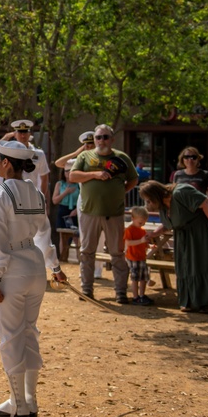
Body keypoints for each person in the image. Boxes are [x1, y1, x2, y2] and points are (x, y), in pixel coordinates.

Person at [0, 141, 66, 417]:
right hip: (34, 265)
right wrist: (54, 266)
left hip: (13, 268)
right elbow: (45, 232)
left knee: (11, 336)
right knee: (29, 331)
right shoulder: (35, 192)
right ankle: (29, 400)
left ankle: (18, 404)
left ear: (6, 163)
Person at [68, 124, 138, 302]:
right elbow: (73, 176)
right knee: (87, 252)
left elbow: (133, 179)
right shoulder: (85, 156)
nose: (101, 141)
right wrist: (95, 175)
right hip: (89, 212)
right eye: (98, 137)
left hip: (114, 213)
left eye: (105, 137)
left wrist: (120, 192)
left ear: (112, 139)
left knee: (117, 253)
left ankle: (121, 292)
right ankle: (87, 290)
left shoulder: (121, 157)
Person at [139, 180, 208, 312]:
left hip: (204, 228)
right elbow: (168, 224)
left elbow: (205, 203)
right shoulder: (164, 207)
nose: (147, 204)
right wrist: (153, 234)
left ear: (155, 195)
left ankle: (203, 302)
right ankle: (189, 301)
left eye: (148, 200)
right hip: (185, 232)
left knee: (201, 263)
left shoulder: (181, 192)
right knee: (184, 264)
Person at [124, 206, 153, 306]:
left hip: (141, 257)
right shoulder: (129, 229)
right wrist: (141, 241)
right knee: (135, 278)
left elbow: (144, 243)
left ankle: (142, 295)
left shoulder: (142, 230)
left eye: (144, 223)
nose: (142, 225)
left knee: (143, 277)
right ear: (133, 218)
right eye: (140, 223)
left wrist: (149, 245)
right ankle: (135, 297)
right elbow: (128, 243)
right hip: (133, 257)